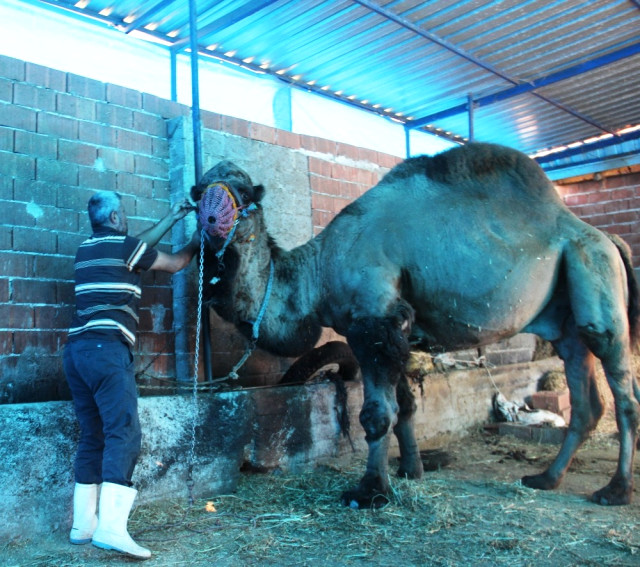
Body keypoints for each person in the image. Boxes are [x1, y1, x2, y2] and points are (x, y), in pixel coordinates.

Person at [63, 190, 199, 560]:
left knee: (93, 434)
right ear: (115, 217)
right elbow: (173, 264)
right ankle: (111, 530)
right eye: (122, 214)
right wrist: (197, 238)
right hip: (107, 351)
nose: (125, 220)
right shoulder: (124, 249)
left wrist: (172, 217)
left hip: (76, 353)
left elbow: (135, 245)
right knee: (124, 433)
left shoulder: (86, 250)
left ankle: (84, 525)